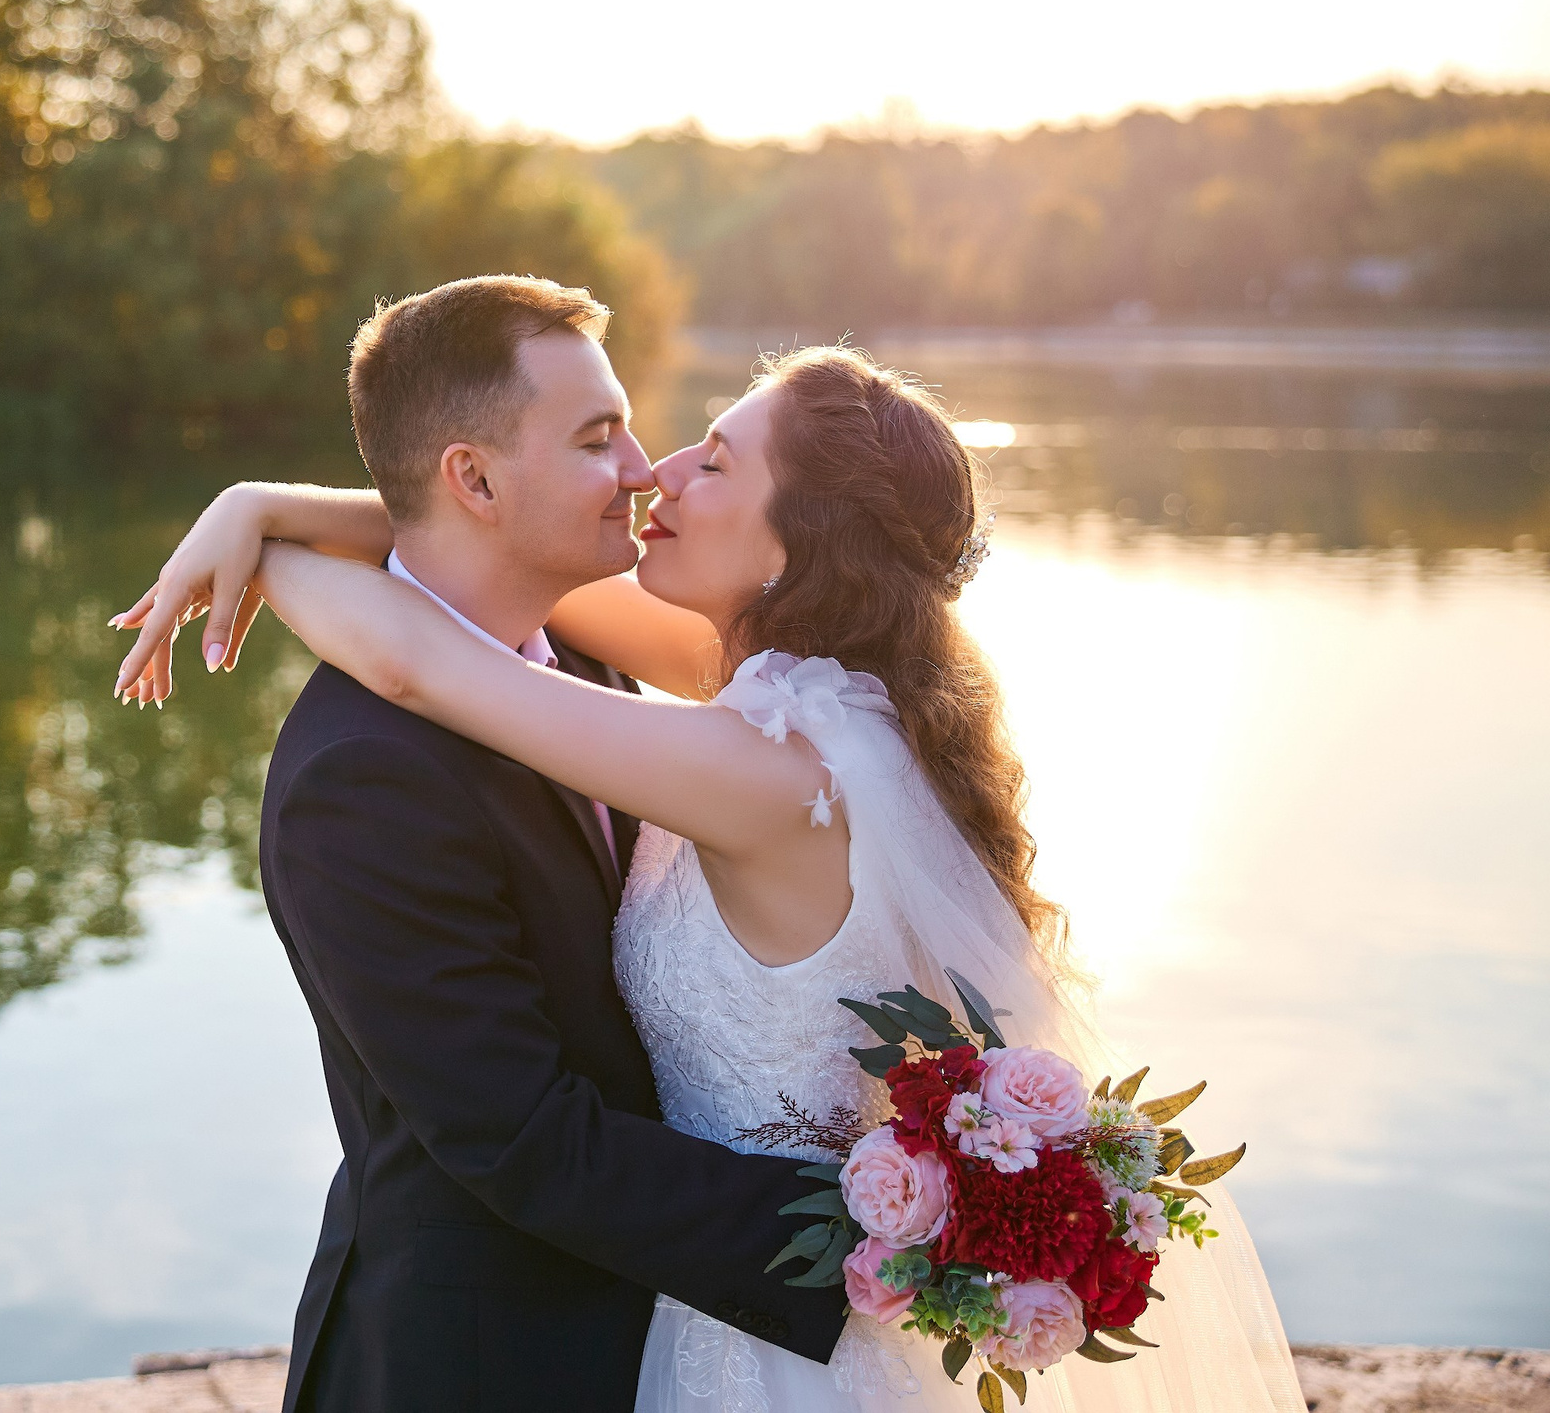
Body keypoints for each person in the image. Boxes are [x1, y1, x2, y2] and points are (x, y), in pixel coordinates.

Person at [111, 281, 1307, 1412]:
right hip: (482, 1355)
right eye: (602, 440)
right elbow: (446, 586)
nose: (650, 473)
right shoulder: (751, 696)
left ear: (790, 547)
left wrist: (261, 529)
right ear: (475, 477)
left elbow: (423, 650)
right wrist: (265, 515)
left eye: (706, 458)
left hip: (746, 1319)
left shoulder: (747, 738)